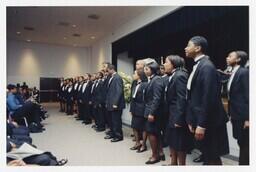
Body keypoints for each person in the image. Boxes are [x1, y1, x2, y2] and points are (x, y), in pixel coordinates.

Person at [185, 36, 229, 165]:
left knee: (212, 156)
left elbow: (208, 98)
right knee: (209, 155)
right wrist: (191, 119)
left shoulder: (206, 67)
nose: (185, 48)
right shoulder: (199, 65)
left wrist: (201, 125)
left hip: (210, 122)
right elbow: (193, 97)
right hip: (202, 120)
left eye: (188, 45)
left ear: (198, 48)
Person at [163, 55, 193, 165]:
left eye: (166, 62)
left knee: (180, 143)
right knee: (172, 141)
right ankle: (173, 163)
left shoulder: (180, 75)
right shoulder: (174, 75)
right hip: (172, 114)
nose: (164, 64)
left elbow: (182, 98)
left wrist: (179, 119)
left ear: (174, 64)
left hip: (177, 115)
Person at [226, 50, 249, 165]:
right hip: (236, 114)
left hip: (243, 116)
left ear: (238, 59)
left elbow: (248, 95)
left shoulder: (243, 72)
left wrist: (248, 118)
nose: (227, 58)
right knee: (241, 142)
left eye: (230, 56)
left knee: (246, 144)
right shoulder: (234, 72)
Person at [143, 59, 165, 164]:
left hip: (154, 112)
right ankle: (160, 153)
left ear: (153, 69)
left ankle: (154, 156)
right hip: (153, 111)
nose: (145, 70)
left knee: (152, 133)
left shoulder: (157, 79)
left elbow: (157, 98)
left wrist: (151, 113)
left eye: (147, 69)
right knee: (156, 133)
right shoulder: (152, 79)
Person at [105, 64, 125, 142]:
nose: (107, 71)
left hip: (116, 104)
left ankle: (118, 136)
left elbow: (119, 91)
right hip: (110, 103)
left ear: (111, 69)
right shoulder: (111, 77)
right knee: (111, 120)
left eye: (107, 70)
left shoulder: (117, 77)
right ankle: (113, 134)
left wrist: (115, 103)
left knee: (116, 121)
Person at [129, 70, 148, 152]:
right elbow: (132, 97)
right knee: (134, 126)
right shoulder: (135, 83)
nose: (133, 75)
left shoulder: (145, 84)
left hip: (142, 109)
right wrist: (131, 109)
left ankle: (143, 144)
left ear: (139, 75)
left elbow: (146, 99)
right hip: (134, 108)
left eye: (135, 73)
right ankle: (137, 143)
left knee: (143, 128)